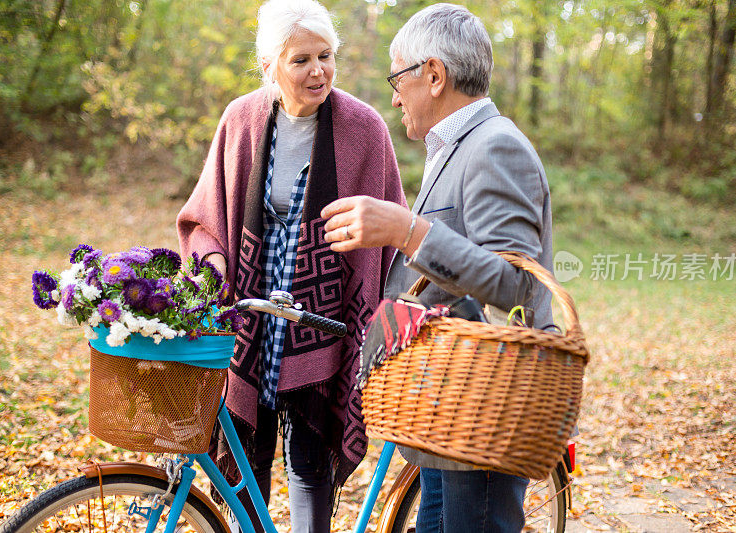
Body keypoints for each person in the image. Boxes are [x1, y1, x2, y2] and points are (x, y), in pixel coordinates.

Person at [321, 4, 554, 532]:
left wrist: (407, 230)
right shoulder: (453, 148)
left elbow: (516, 283)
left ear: (434, 74)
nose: (394, 93)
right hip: (448, 407)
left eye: (398, 76)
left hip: (487, 406)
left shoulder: (495, 147)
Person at [176, 0, 406, 531]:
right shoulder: (242, 119)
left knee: (309, 465)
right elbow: (205, 218)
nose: (318, 70)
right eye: (301, 59)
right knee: (246, 464)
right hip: (250, 319)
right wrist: (213, 269)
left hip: (322, 325)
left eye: (326, 56)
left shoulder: (364, 130)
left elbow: (389, 232)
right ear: (269, 66)